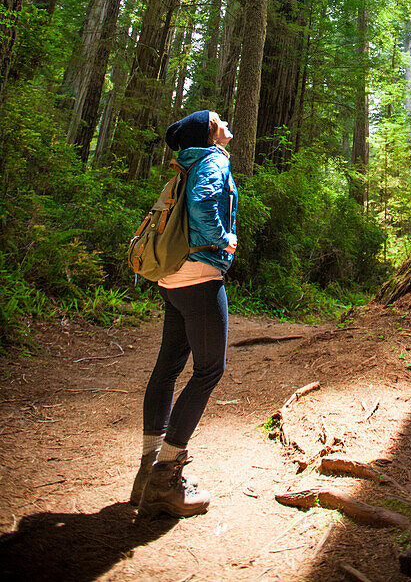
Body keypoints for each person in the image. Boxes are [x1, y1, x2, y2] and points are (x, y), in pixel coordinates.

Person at [131, 109, 238, 519]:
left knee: (168, 367)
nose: (227, 122)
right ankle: (166, 479)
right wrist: (223, 239)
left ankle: (147, 469)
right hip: (199, 274)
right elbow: (202, 204)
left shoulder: (188, 162)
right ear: (209, 132)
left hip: (172, 278)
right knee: (209, 369)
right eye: (219, 119)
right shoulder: (212, 159)